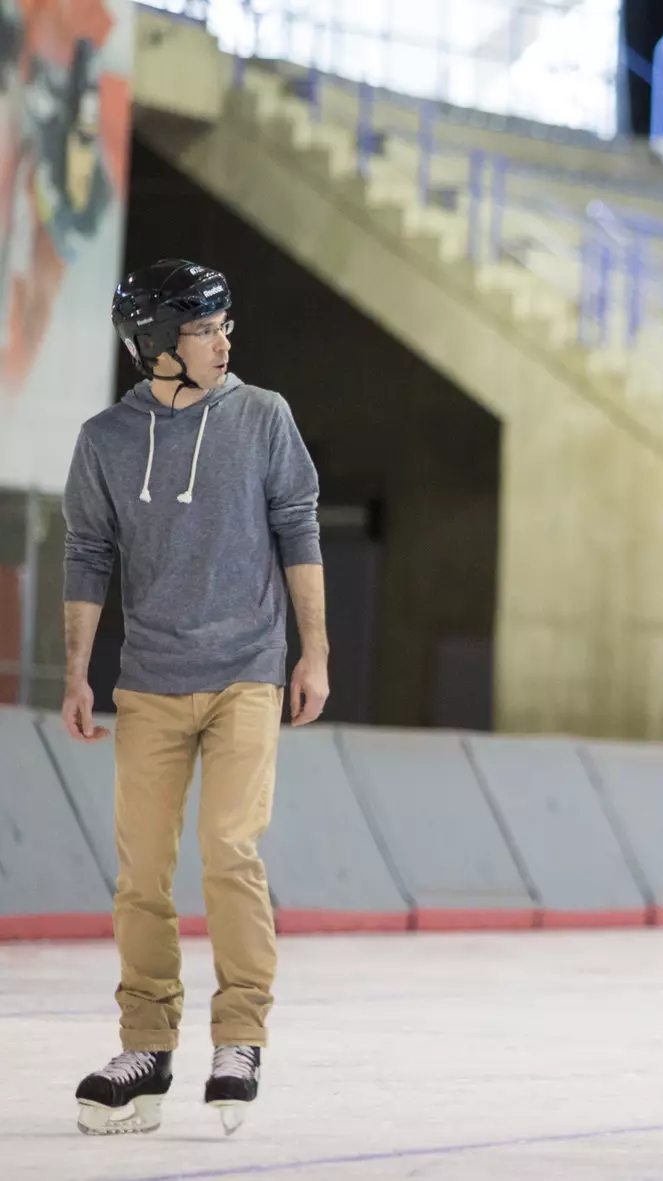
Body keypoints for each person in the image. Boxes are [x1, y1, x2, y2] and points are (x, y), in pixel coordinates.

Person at [61, 259, 329, 1137]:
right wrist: (75, 670)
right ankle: (147, 1044)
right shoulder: (105, 440)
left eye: (224, 325)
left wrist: (313, 650)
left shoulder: (263, 416)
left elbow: (298, 525)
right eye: (206, 328)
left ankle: (239, 1037)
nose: (225, 340)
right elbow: (88, 552)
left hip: (248, 671)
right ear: (157, 345)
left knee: (227, 849)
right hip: (148, 683)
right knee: (141, 871)